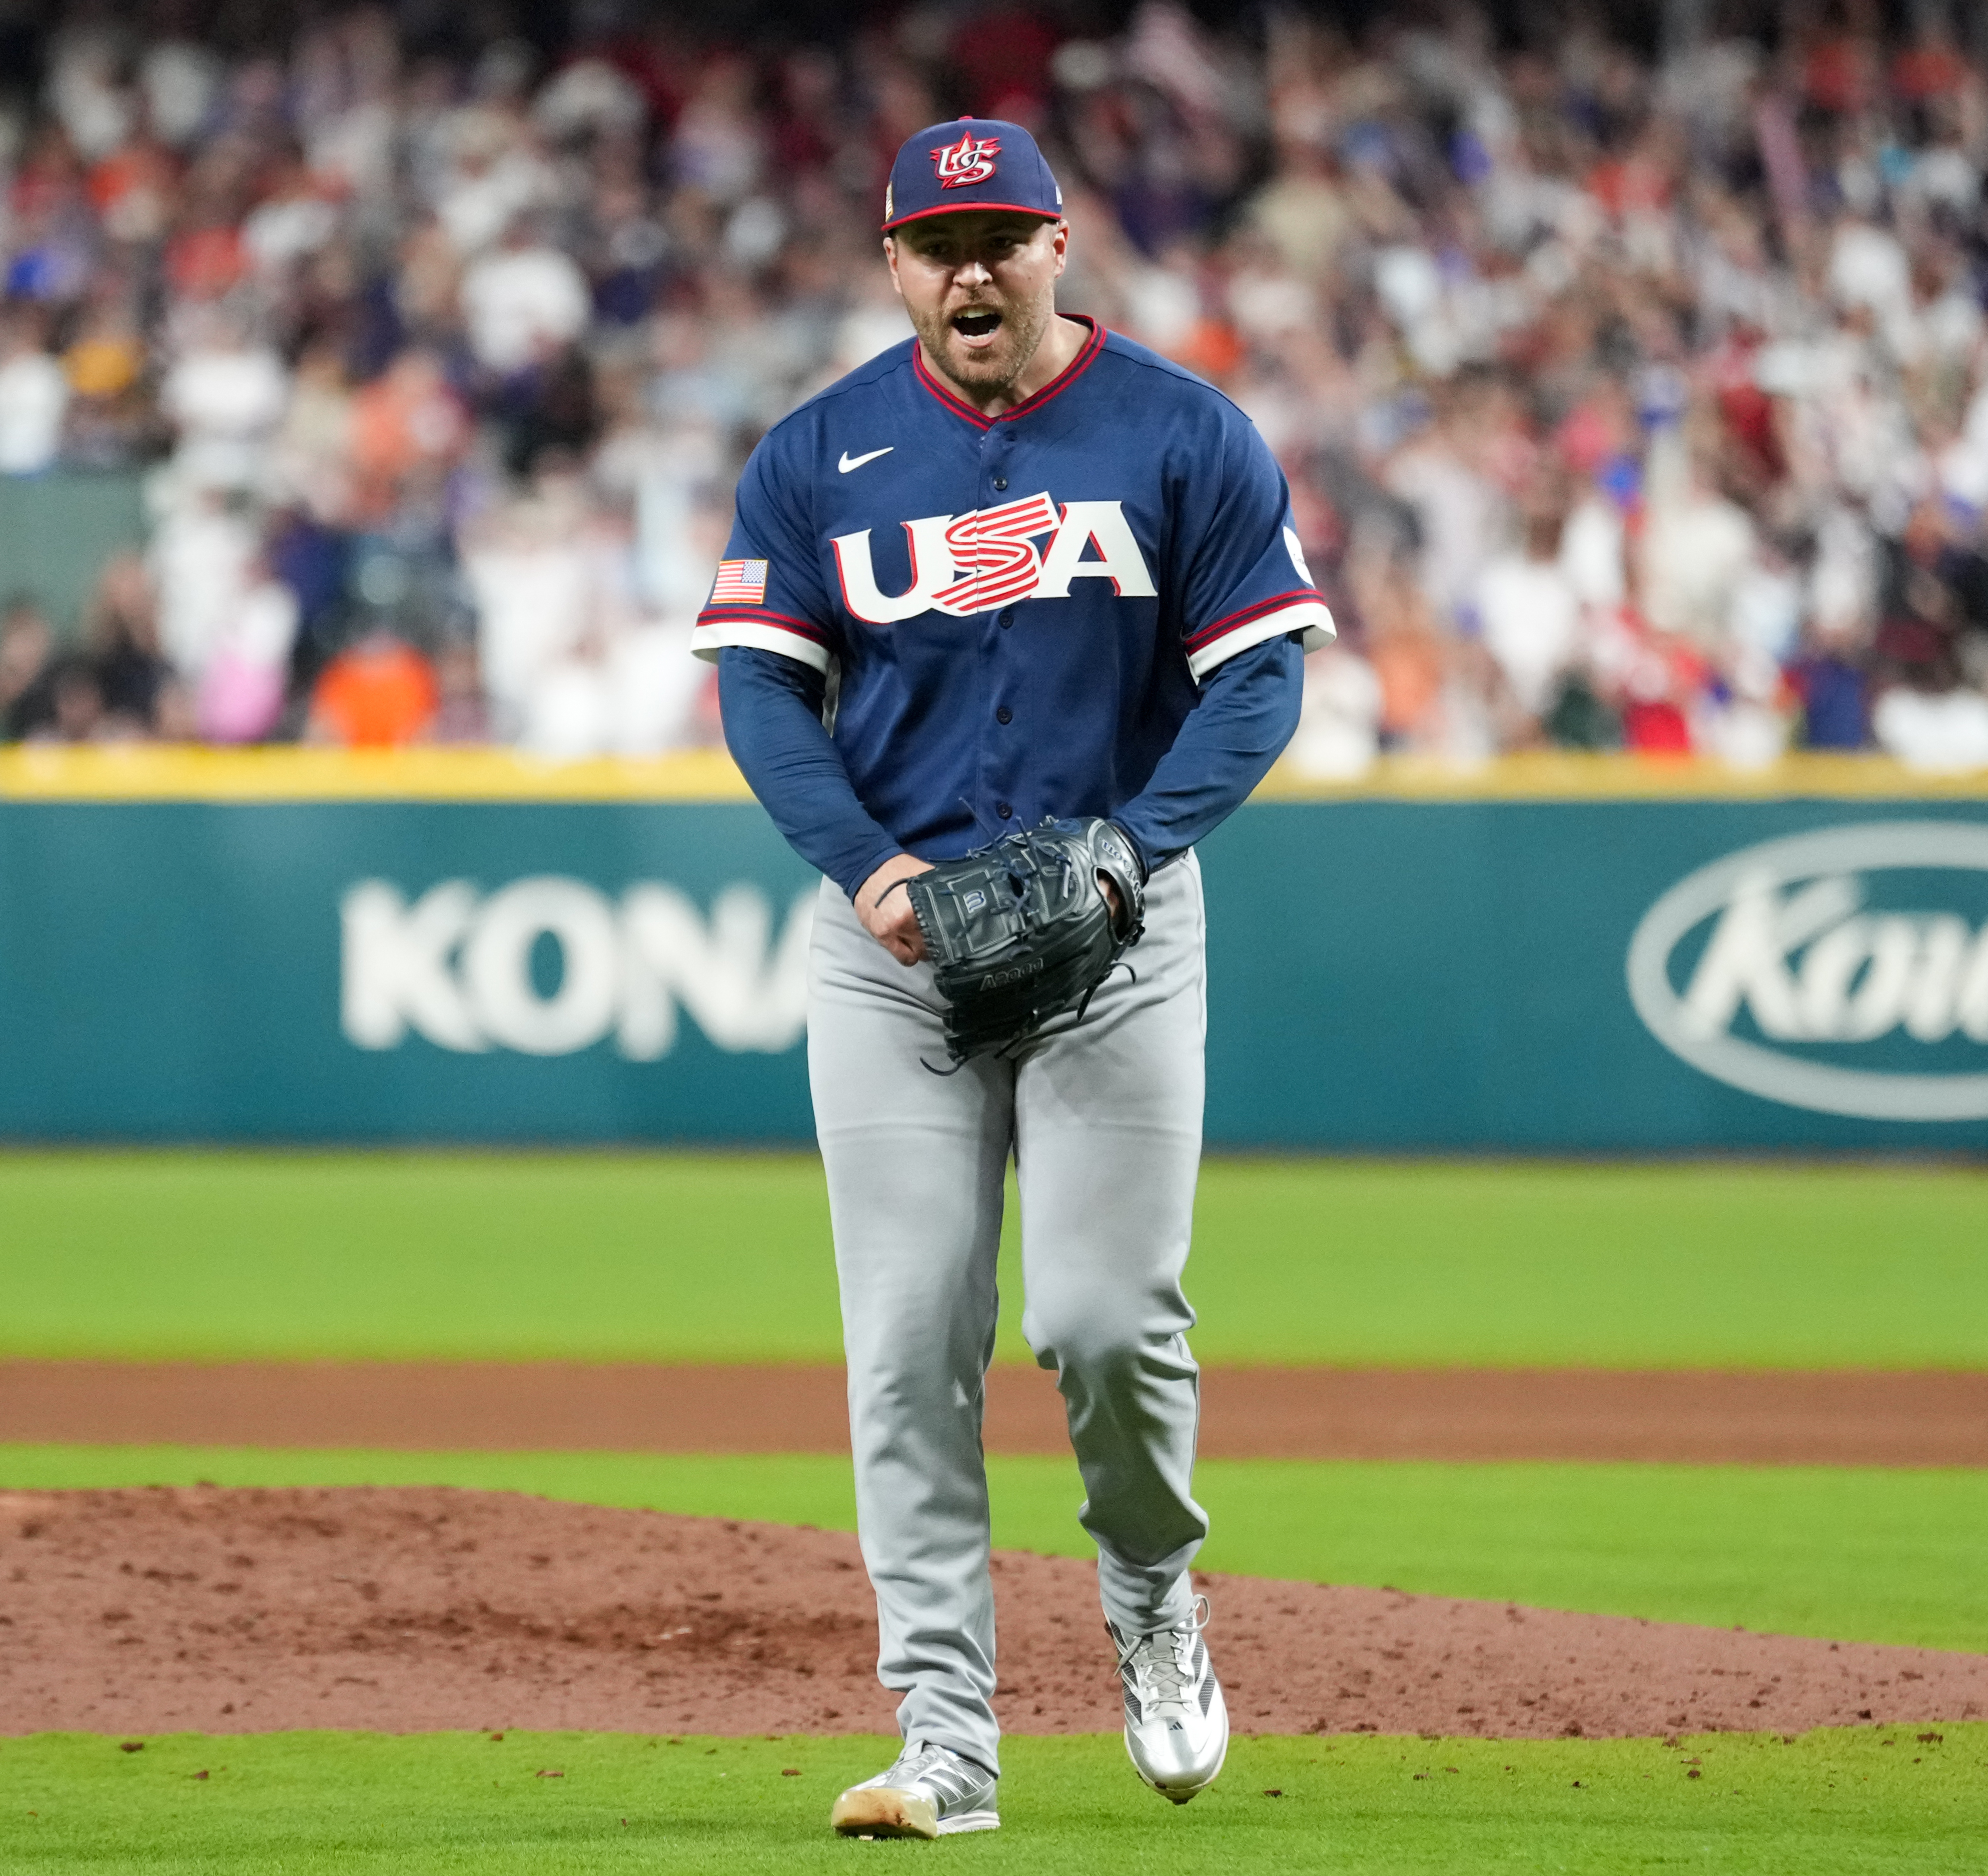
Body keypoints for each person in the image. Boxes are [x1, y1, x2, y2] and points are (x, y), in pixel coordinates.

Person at [693, 118, 1327, 1840]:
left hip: (1115, 936)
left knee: (1104, 1325)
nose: (969, 270)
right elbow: (760, 692)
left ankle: (1149, 1599)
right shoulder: (817, 455)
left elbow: (1258, 684)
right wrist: (871, 870)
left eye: (1000, 236)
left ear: (1059, 246)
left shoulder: (1183, 436)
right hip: (893, 952)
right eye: (934, 243)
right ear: (893, 265)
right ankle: (948, 1743)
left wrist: (1137, 843)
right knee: (907, 1342)